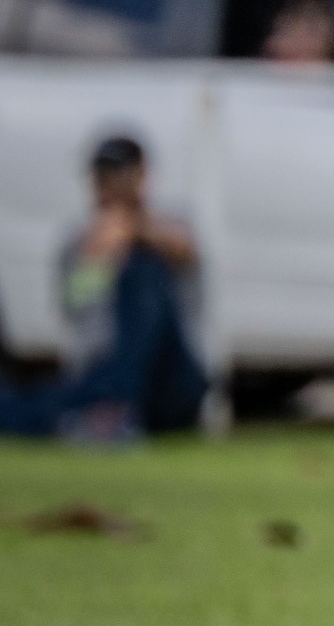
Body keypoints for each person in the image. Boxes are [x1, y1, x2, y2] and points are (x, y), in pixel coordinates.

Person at [0, 135, 206, 442]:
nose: (107, 185)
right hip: (102, 375)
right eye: (101, 175)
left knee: (143, 268)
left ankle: (111, 408)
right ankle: (104, 414)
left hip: (170, 380)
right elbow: (74, 307)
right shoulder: (79, 241)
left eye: (117, 175)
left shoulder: (172, 224)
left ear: (141, 176)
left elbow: (188, 251)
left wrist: (135, 232)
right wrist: (96, 261)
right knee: (28, 405)